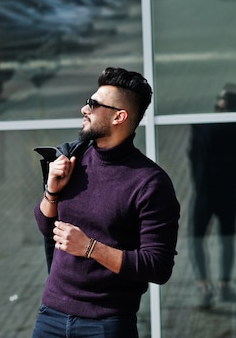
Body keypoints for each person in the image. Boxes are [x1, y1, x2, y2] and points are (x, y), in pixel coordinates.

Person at [31, 67, 180, 338]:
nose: (84, 109)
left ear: (119, 117)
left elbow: (158, 266)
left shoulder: (150, 183)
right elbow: (44, 226)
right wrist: (51, 192)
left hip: (105, 324)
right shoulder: (72, 158)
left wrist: (89, 248)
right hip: (50, 315)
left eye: (93, 104)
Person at [188, 83, 236, 309]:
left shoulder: (200, 129)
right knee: (227, 241)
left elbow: (194, 159)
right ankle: (223, 286)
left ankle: (205, 287)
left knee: (196, 239)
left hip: (204, 194)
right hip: (226, 195)